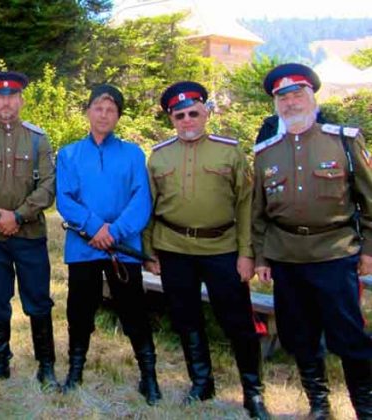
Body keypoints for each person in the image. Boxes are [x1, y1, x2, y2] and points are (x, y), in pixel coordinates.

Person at [143, 81, 269, 419]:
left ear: (206, 113)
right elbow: (149, 208)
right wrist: (149, 252)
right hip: (173, 248)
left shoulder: (229, 151)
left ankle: (253, 392)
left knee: (237, 321)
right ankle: (201, 383)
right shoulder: (159, 155)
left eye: (193, 113)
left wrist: (247, 253)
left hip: (222, 248)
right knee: (186, 319)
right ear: (171, 118)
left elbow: (246, 206)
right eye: (179, 115)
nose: (187, 120)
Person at [253, 63, 372, 419]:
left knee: (349, 337)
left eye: (297, 94)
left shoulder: (344, 140)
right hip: (287, 258)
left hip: (335, 255)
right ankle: (319, 404)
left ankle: (365, 408)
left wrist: (368, 249)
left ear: (312, 97)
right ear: (276, 105)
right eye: (283, 98)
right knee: (298, 336)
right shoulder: (265, 153)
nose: (290, 103)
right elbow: (257, 213)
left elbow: (369, 201)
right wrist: (260, 257)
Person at [56, 84, 162, 405]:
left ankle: (149, 376)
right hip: (83, 246)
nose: (104, 115)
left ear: (118, 115)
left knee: (133, 309)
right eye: (98, 108)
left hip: (121, 246)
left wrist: (113, 232)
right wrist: (94, 227)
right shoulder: (69, 154)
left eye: (111, 109)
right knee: (79, 309)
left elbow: (141, 199)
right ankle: (75, 371)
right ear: (88, 111)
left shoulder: (132, 154)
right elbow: (65, 199)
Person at [0, 71, 58, 391]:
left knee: (38, 301)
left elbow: (48, 186)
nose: (6, 102)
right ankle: (0, 364)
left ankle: (46, 367)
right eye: (0, 96)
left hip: (30, 234)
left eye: (12, 96)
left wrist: (17, 215)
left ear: (21, 100)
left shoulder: (37, 139)